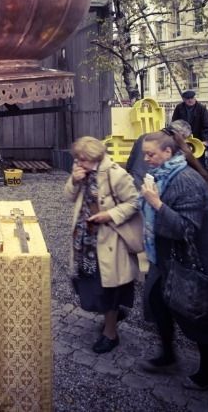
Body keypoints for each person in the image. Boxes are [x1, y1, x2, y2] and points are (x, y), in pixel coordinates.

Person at [138, 130, 208, 391]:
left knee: (198, 311)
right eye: (144, 153)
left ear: (168, 153)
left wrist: (155, 203)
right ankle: (168, 356)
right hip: (167, 255)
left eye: (151, 154)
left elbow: (185, 229)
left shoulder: (185, 180)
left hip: (197, 259)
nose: (145, 158)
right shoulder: (161, 174)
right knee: (157, 302)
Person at [64, 136, 142, 353]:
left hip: (109, 241)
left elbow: (135, 202)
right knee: (88, 282)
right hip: (85, 238)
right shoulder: (81, 169)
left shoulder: (115, 174)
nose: (78, 163)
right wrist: (74, 180)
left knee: (109, 288)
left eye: (82, 160)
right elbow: (69, 196)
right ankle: (112, 316)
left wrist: (109, 214)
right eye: (77, 160)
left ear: (94, 158)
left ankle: (110, 333)